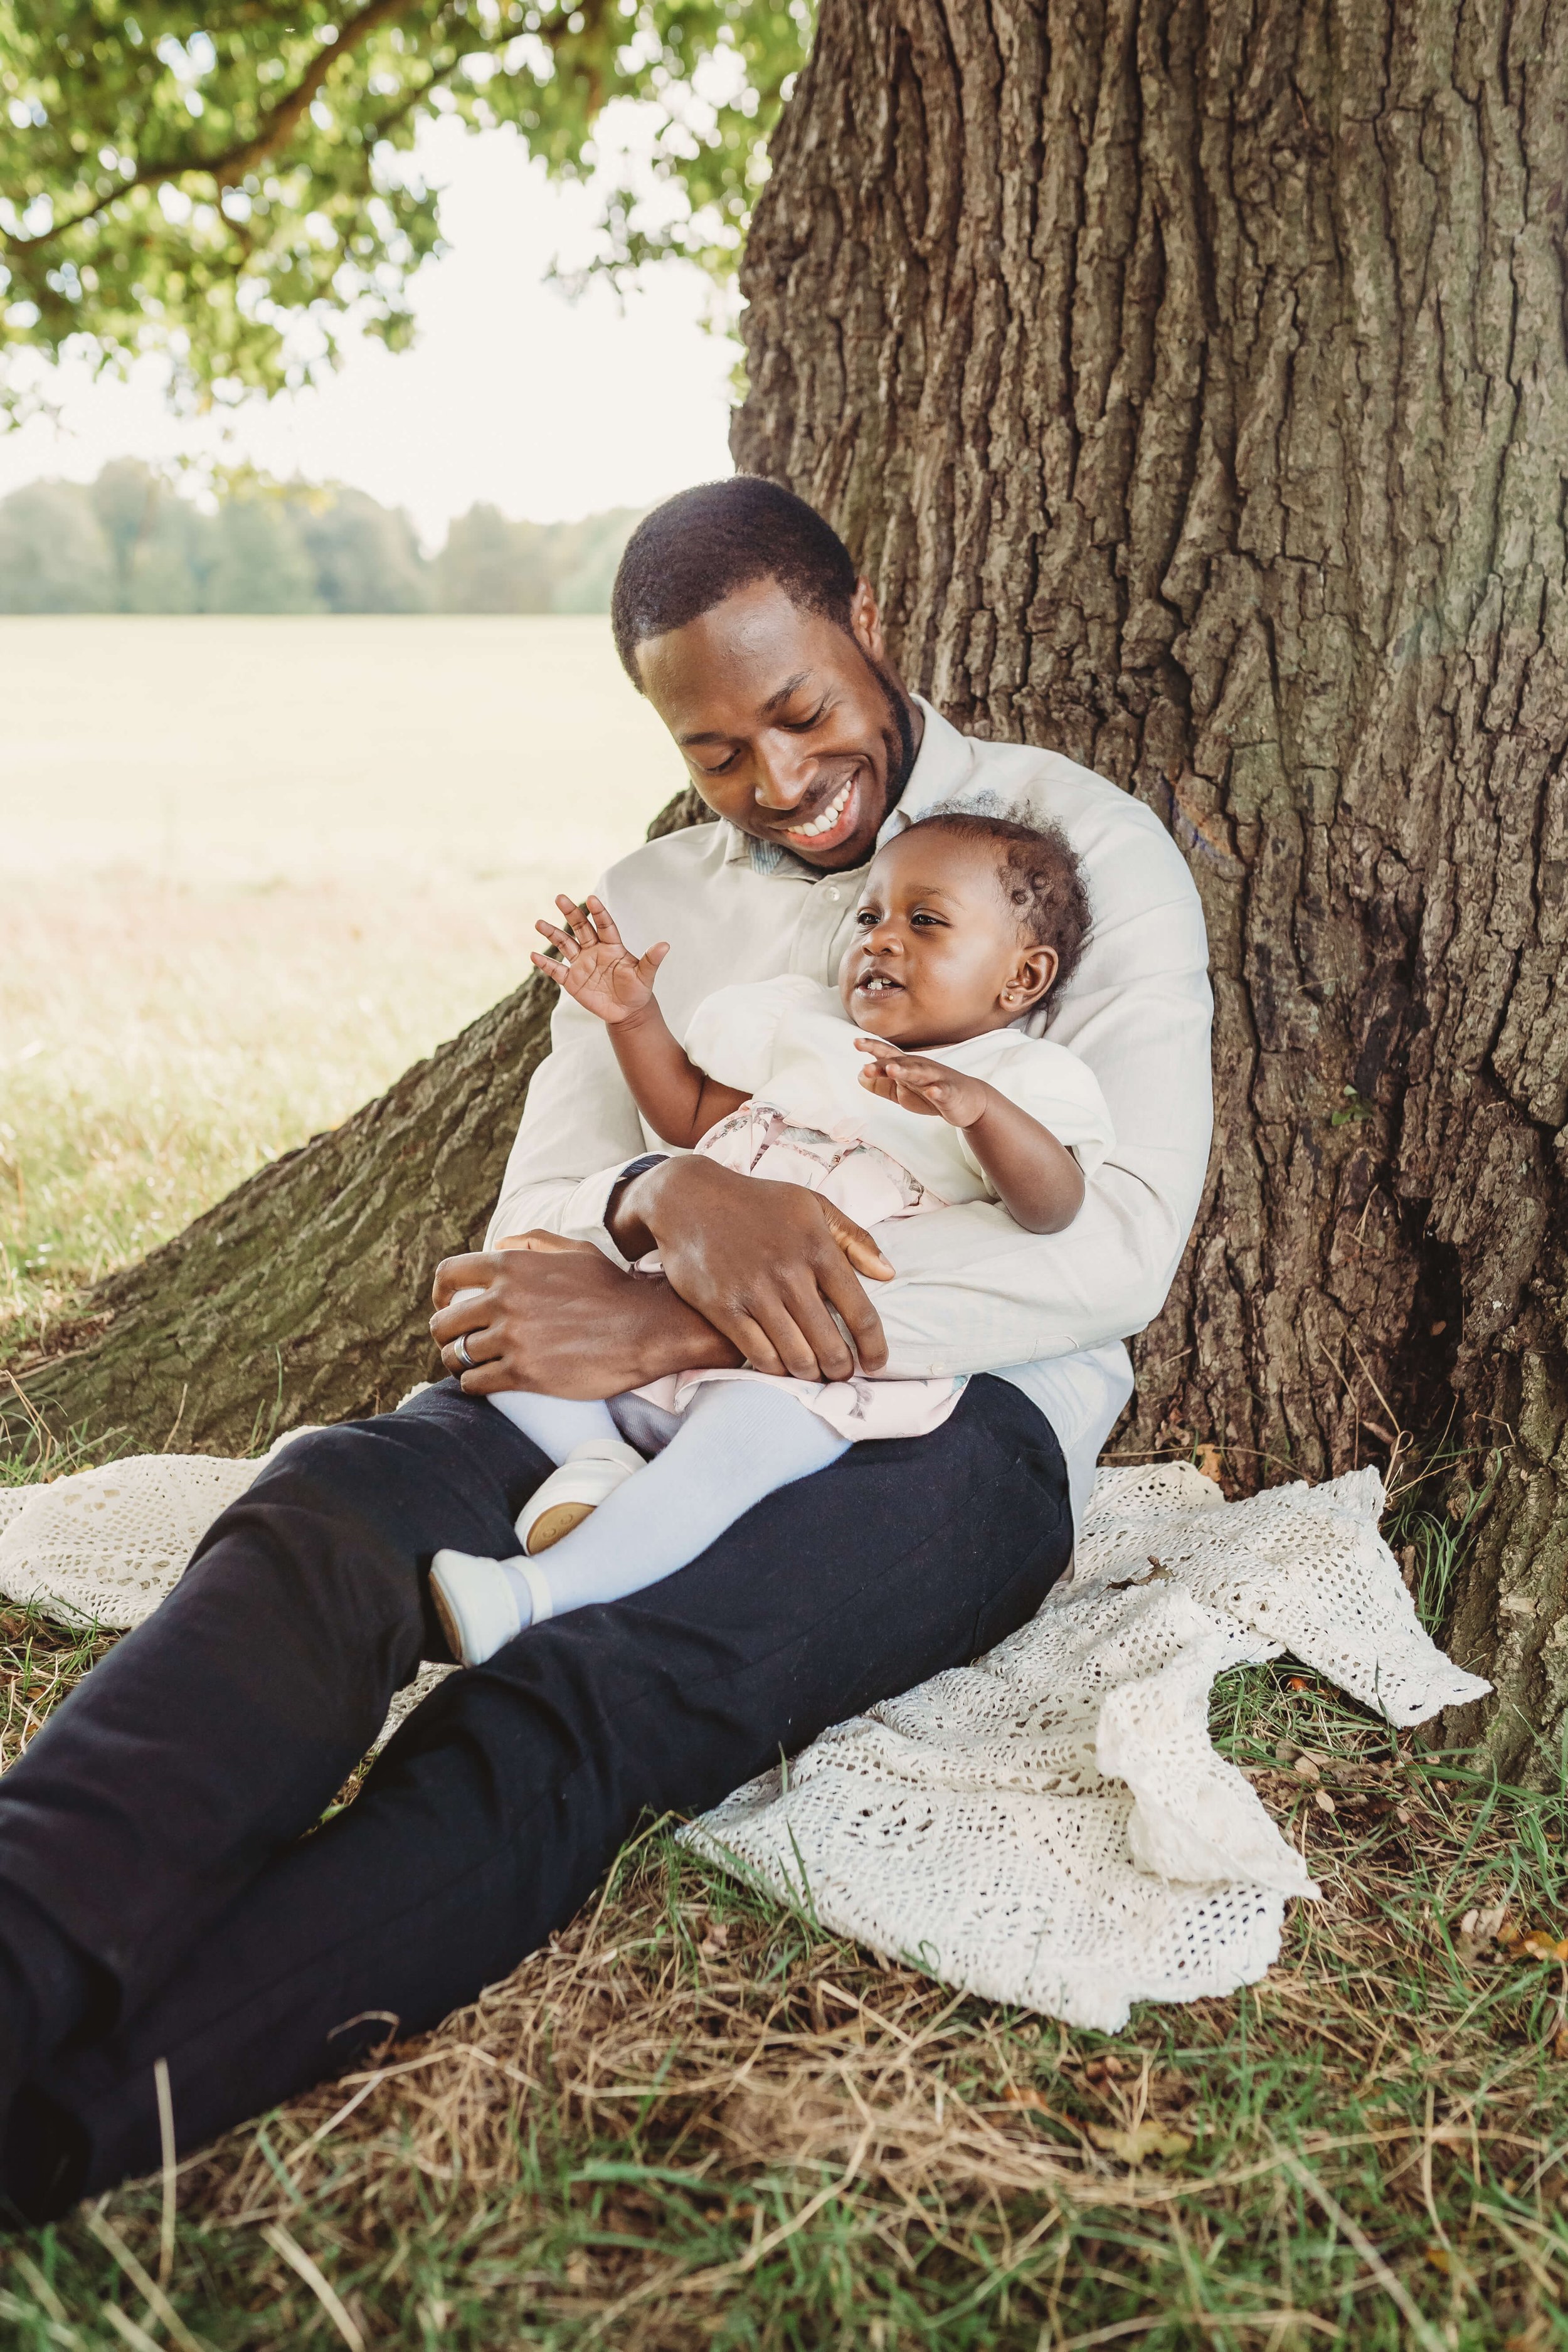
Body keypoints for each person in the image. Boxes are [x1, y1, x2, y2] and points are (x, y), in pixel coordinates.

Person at [0, 477, 1211, 2217]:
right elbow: (549, 1196)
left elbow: (1110, 1245)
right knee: (334, 1506)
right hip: (623, 1381)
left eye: (797, 710)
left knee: (586, 1692)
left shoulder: (1067, 854)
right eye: (717, 749)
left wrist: (684, 1298)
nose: (776, 779)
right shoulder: (654, 899)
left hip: (948, 1431)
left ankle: (68, 2127)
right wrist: (661, 1187)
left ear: (863, 618)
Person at [432, 810, 1115, 1663]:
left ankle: (534, 1593)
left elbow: (1054, 1205)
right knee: (504, 1316)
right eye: (869, 917)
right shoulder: (807, 1031)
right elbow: (683, 1109)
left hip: (795, 1356)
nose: (882, 941)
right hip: (669, 1297)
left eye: (925, 921)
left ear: (1023, 977)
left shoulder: (1018, 1080)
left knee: (734, 1449)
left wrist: (979, 1112)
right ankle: (603, 1469)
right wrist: (634, 1016)